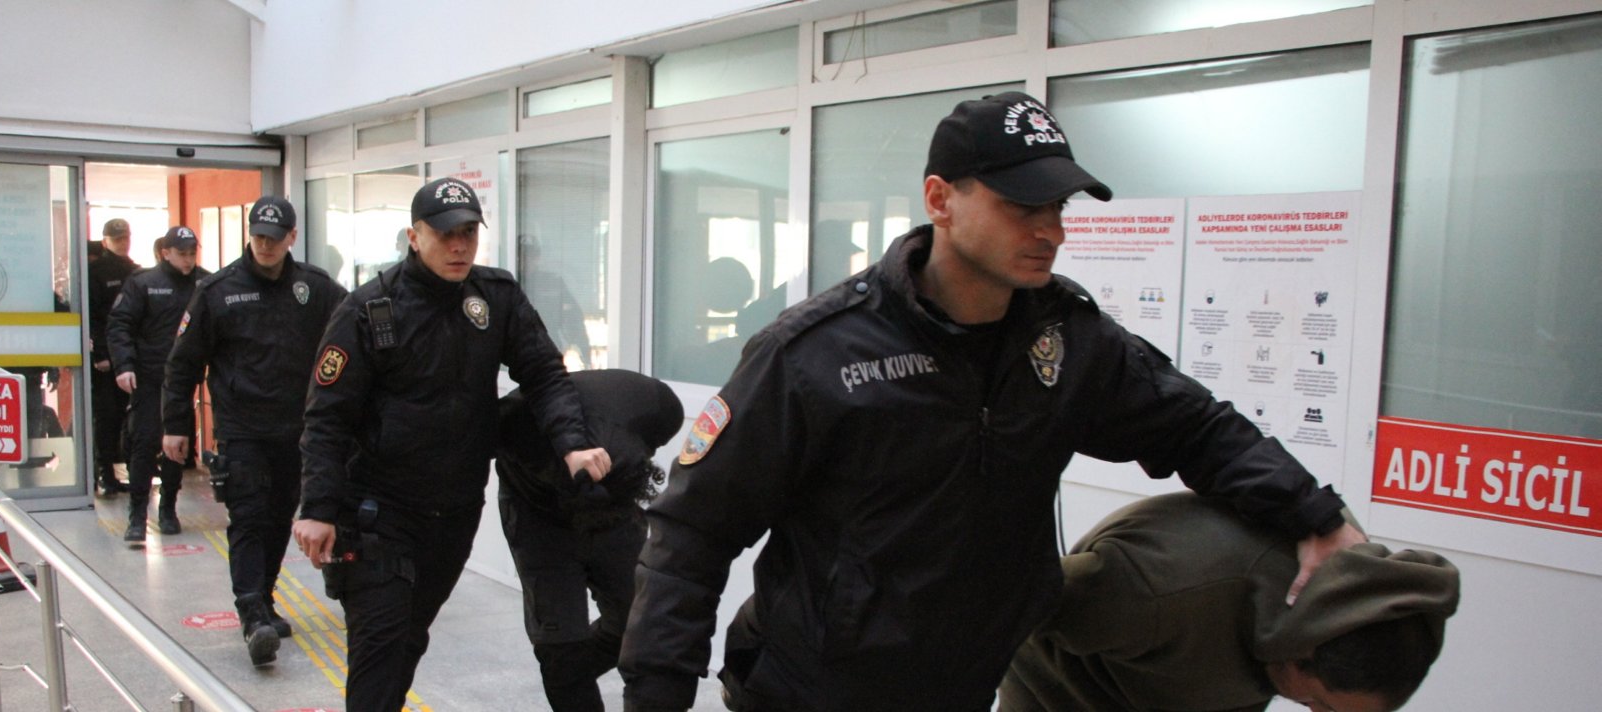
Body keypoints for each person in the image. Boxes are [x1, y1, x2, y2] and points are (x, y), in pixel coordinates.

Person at [617, 91, 1367, 712]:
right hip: (814, 690)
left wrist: (1316, 515)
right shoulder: (817, 353)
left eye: (1061, 206)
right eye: (1022, 205)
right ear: (940, 200)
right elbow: (692, 531)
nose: (1052, 230)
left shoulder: (1069, 341)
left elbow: (1195, 427)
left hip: (968, 683)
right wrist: (657, 692)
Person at [293, 176, 614, 712]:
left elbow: (543, 372)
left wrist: (572, 444)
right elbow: (327, 418)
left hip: (454, 510)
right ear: (414, 236)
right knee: (381, 646)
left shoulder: (495, 297)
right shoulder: (369, 312)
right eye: (445, 234)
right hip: (377, 512)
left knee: (409, 638)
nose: (459, 245)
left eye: (468, 232)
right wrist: (319, 507)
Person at [998, 493, 1460, 712]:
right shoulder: (1158, 590)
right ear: (1300, 655)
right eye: (1322, 706)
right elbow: (1008, 599)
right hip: (1064, 694)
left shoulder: (1352, 580)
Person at [161, 196, 347, 666]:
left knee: (282, 512)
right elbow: (183, 363)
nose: (265, 245)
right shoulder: (218, 290)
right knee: (248, 516)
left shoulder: (315, 287)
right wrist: (174, 426)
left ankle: (262, 599)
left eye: (274, 236)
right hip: (242, 428)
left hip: (298, 428)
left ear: (292, 236)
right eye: (258, 236)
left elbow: (353, 331)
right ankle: (252, 613)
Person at [496, 369, 684, 712]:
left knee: (639, 621)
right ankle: (568, 675)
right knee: (558, 643)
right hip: (534, 509)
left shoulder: (656, 413)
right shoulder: (515, 424)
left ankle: (571, 677)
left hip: (611, 492)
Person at [108, 226, 209, 545]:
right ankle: (137, 515)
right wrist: (123, 365)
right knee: (144, 444)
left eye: (193, 253)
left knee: (177, 448)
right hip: (149, 377)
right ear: (165, 253)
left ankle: (168, 508)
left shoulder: (205, 284)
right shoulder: (144, 283)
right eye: (182, 253)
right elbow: (119, 324)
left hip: (183, 381)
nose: (189, 259)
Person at [88, 218, 138, 495]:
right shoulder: (95, 272)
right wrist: (102, 354)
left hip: (130, 356)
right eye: (117, 238)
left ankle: (129, 469)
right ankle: (105, 473)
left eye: (125, 237)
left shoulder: (134, 270)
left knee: (127, 418)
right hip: (107, 361)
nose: (123, 242)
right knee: (106, 418)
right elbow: (94, 317)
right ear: (105, 240)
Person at [519, 234, 593, 369]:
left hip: (548, 354)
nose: (527, 261)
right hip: (516, 357)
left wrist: (585, 354)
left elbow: (574, 319)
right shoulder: (504, 286)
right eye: (523, 256)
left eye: (532, 256)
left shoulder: (552, 283)